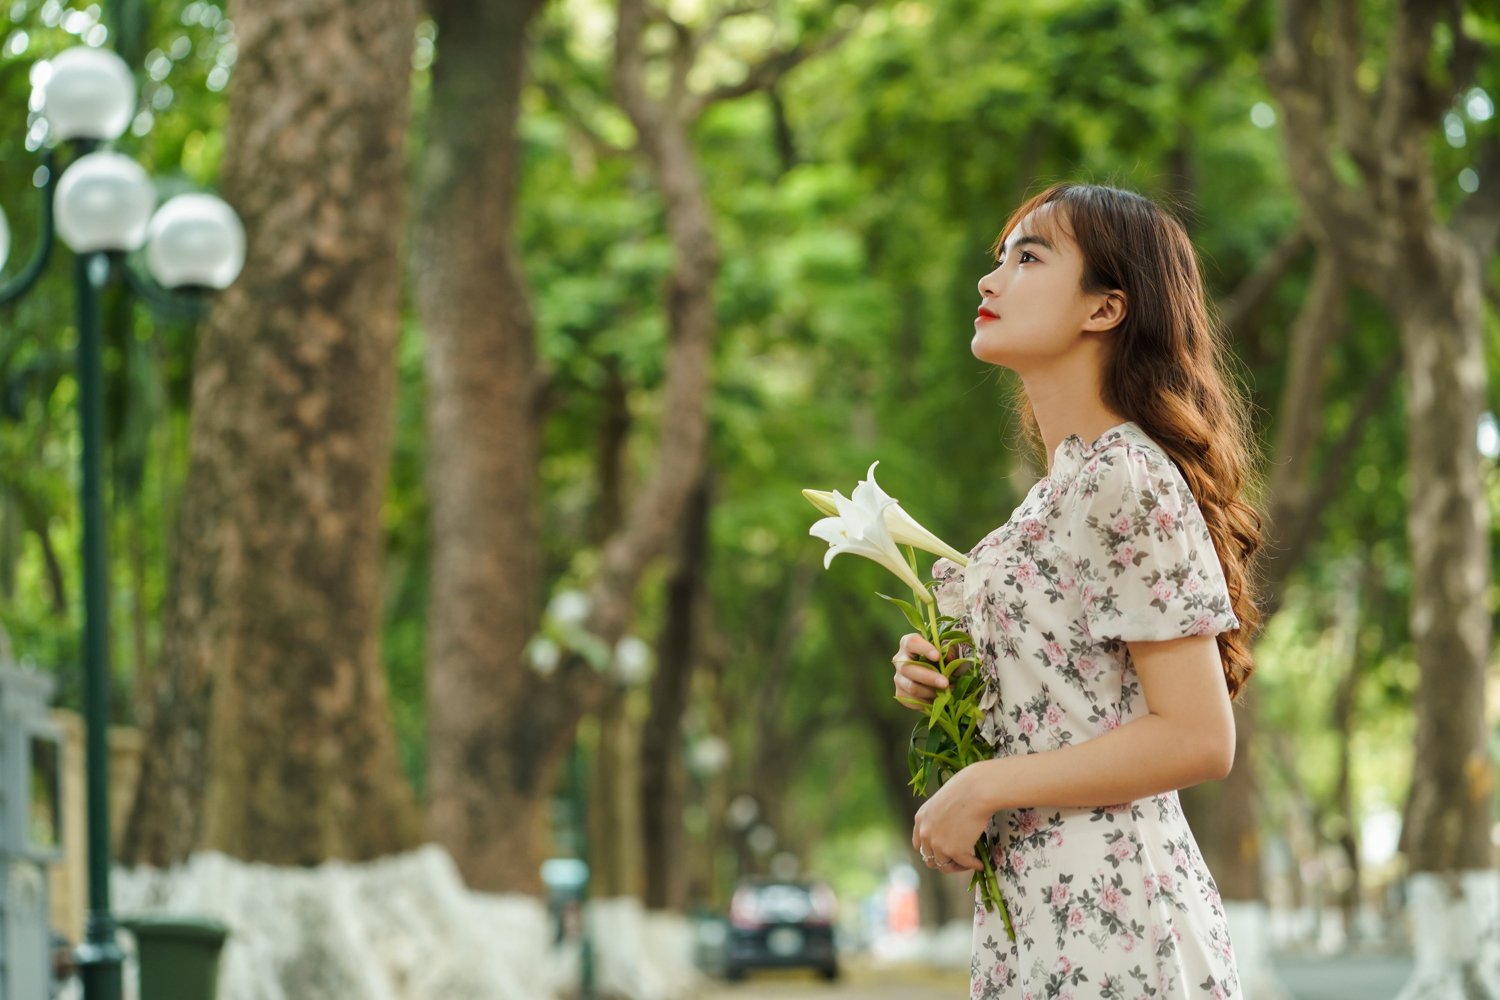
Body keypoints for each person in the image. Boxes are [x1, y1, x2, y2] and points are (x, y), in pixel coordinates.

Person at [891, 182, 1262, 999]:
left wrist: (984, 786)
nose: (990, 282)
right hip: (1037, 918)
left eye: (1028, 258)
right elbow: (1074, 697)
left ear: (1105, 309)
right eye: (999, 260)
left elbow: (1200, 738)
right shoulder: (1060, 490)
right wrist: (944, 676)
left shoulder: (1126, 476)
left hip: (1117, 920)